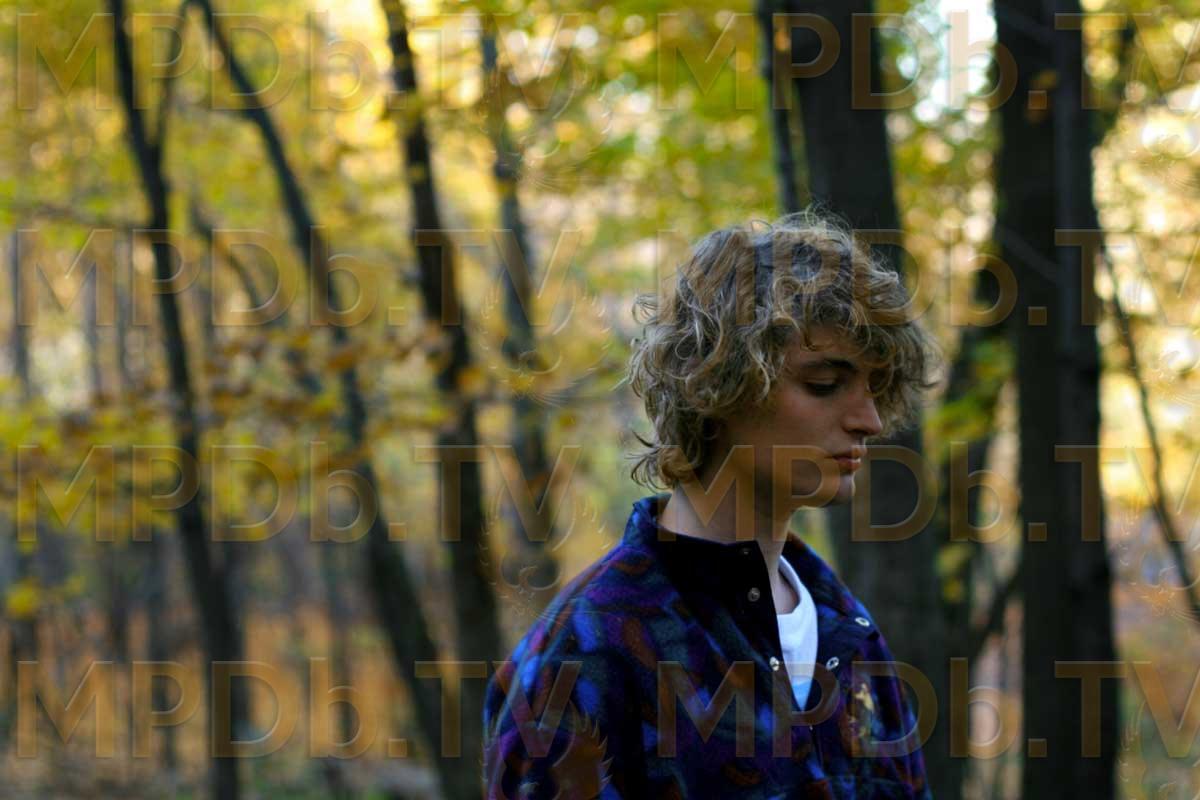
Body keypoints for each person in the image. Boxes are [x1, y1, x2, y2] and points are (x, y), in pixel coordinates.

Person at [483, 209, 940, 798]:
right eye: (825, 384)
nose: (869, 420)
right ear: (720, 382)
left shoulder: (850, 635)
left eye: (876, 389)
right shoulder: (587, 653)